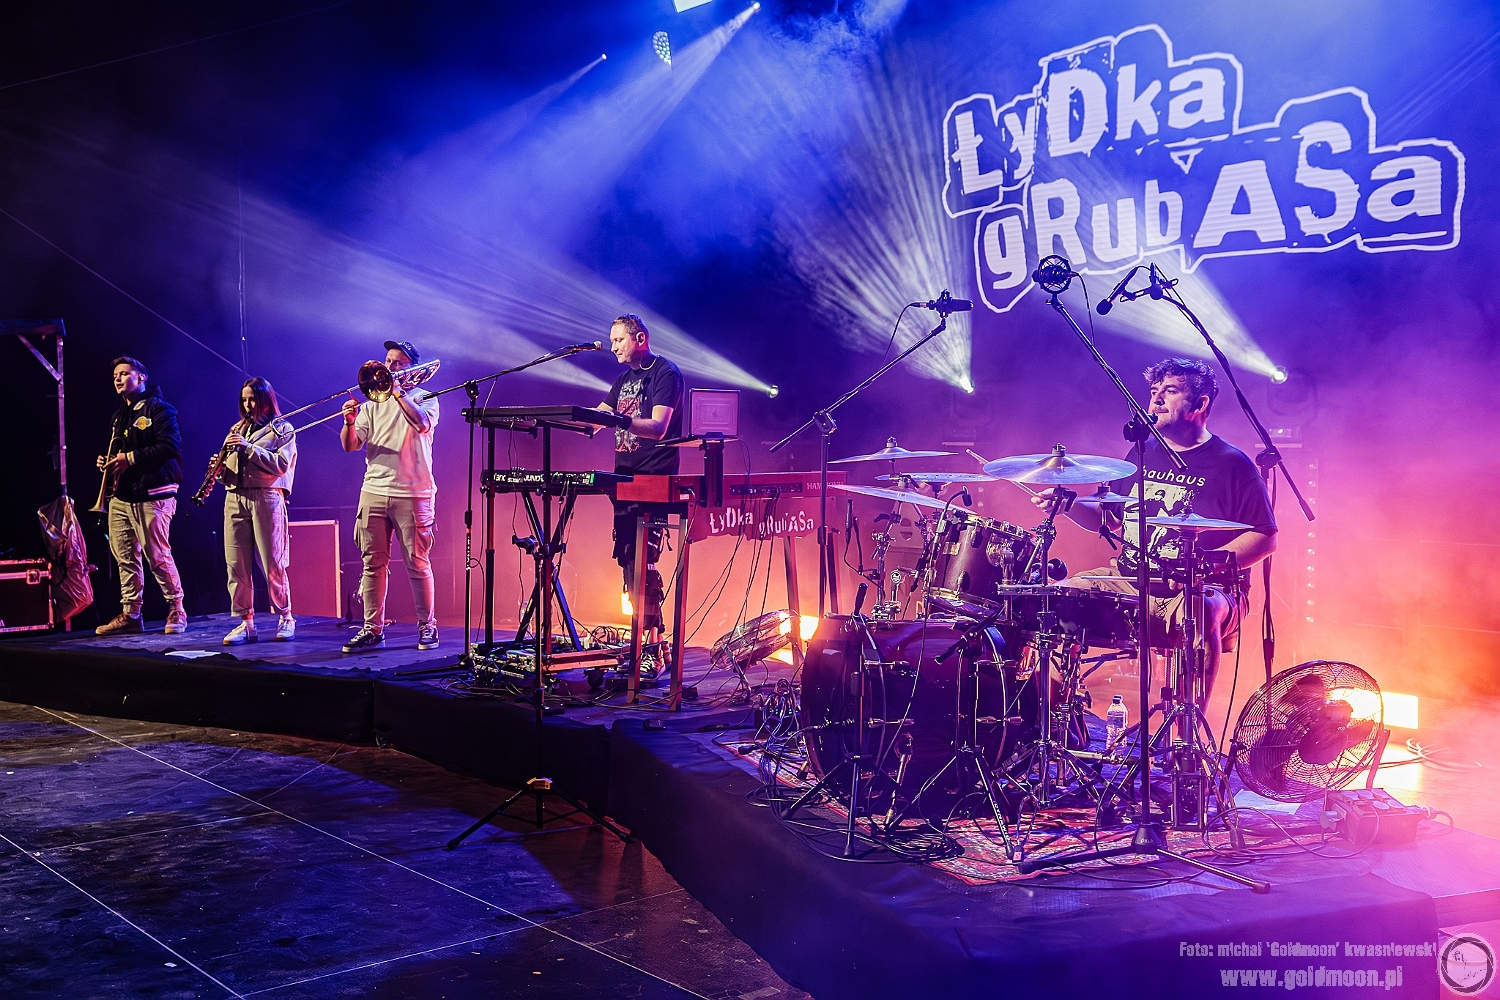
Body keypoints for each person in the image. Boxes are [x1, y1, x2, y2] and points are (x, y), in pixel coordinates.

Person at [1037, 358, 1277, 696]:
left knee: (1200, 609)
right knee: (1060, 598)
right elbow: (1111, 518)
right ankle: (1051, 717)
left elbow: (1265, 537)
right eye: (1154, 392)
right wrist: (1069, 505)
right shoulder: (1141, 452)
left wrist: (1206, 565)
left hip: (1201, 588)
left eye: (1171, 391)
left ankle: (1188, 726)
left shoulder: (1232, 464)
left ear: (1200, 404)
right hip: (1129, 581)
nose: (1157, 400)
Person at [339, 340, 440, 653]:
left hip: (414, 492)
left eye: (398, 363)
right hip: (374, 490)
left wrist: (398, 393)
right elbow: (351, 445)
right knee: (372, 564)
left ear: (412, 369)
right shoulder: (371, 404)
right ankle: (373, 629)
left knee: (418, 563)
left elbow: (421, 424)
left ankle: (427, 627)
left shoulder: (425, 397)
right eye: (388, 361)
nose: (390, 368)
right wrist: (350, 422)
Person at [596, 314, 683, 637]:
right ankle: (649, 638)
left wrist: (619, 420)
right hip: (624, 480)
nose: (613, 347)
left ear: (640, 339)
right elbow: (598, 418)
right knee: (628, 558)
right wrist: (563, 418)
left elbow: (658, 428)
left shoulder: (665, 372)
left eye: (619, 340)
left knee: (643, 560)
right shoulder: (623, 380)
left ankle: (652, 640)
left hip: (653, 478)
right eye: (612, 341)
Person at [95, 356, 187, 635]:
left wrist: (130, 458)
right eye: (115, 375)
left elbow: (170, 445)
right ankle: (131, 613)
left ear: (141, 377)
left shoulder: (160, 409)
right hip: (122, 496)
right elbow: (119, 450)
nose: (118, 378)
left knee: (157, 555)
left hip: (154, 493)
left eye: (124, 373)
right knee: (124, 556)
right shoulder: (119, 415)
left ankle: (177, 608)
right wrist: (108, 461)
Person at [219, 377, 298, 645]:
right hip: (235, 496)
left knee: (272, 561)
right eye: (244, 400)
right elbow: (232, 468)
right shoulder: (237, 428)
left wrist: (248, 448)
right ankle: (246, 623)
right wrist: (220, 470)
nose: (247, 405)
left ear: (265, 399)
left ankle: (286, 615)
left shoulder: (283, 428)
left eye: (252, 399)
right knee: (236, 563)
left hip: (267, 496)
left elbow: (281, 466)